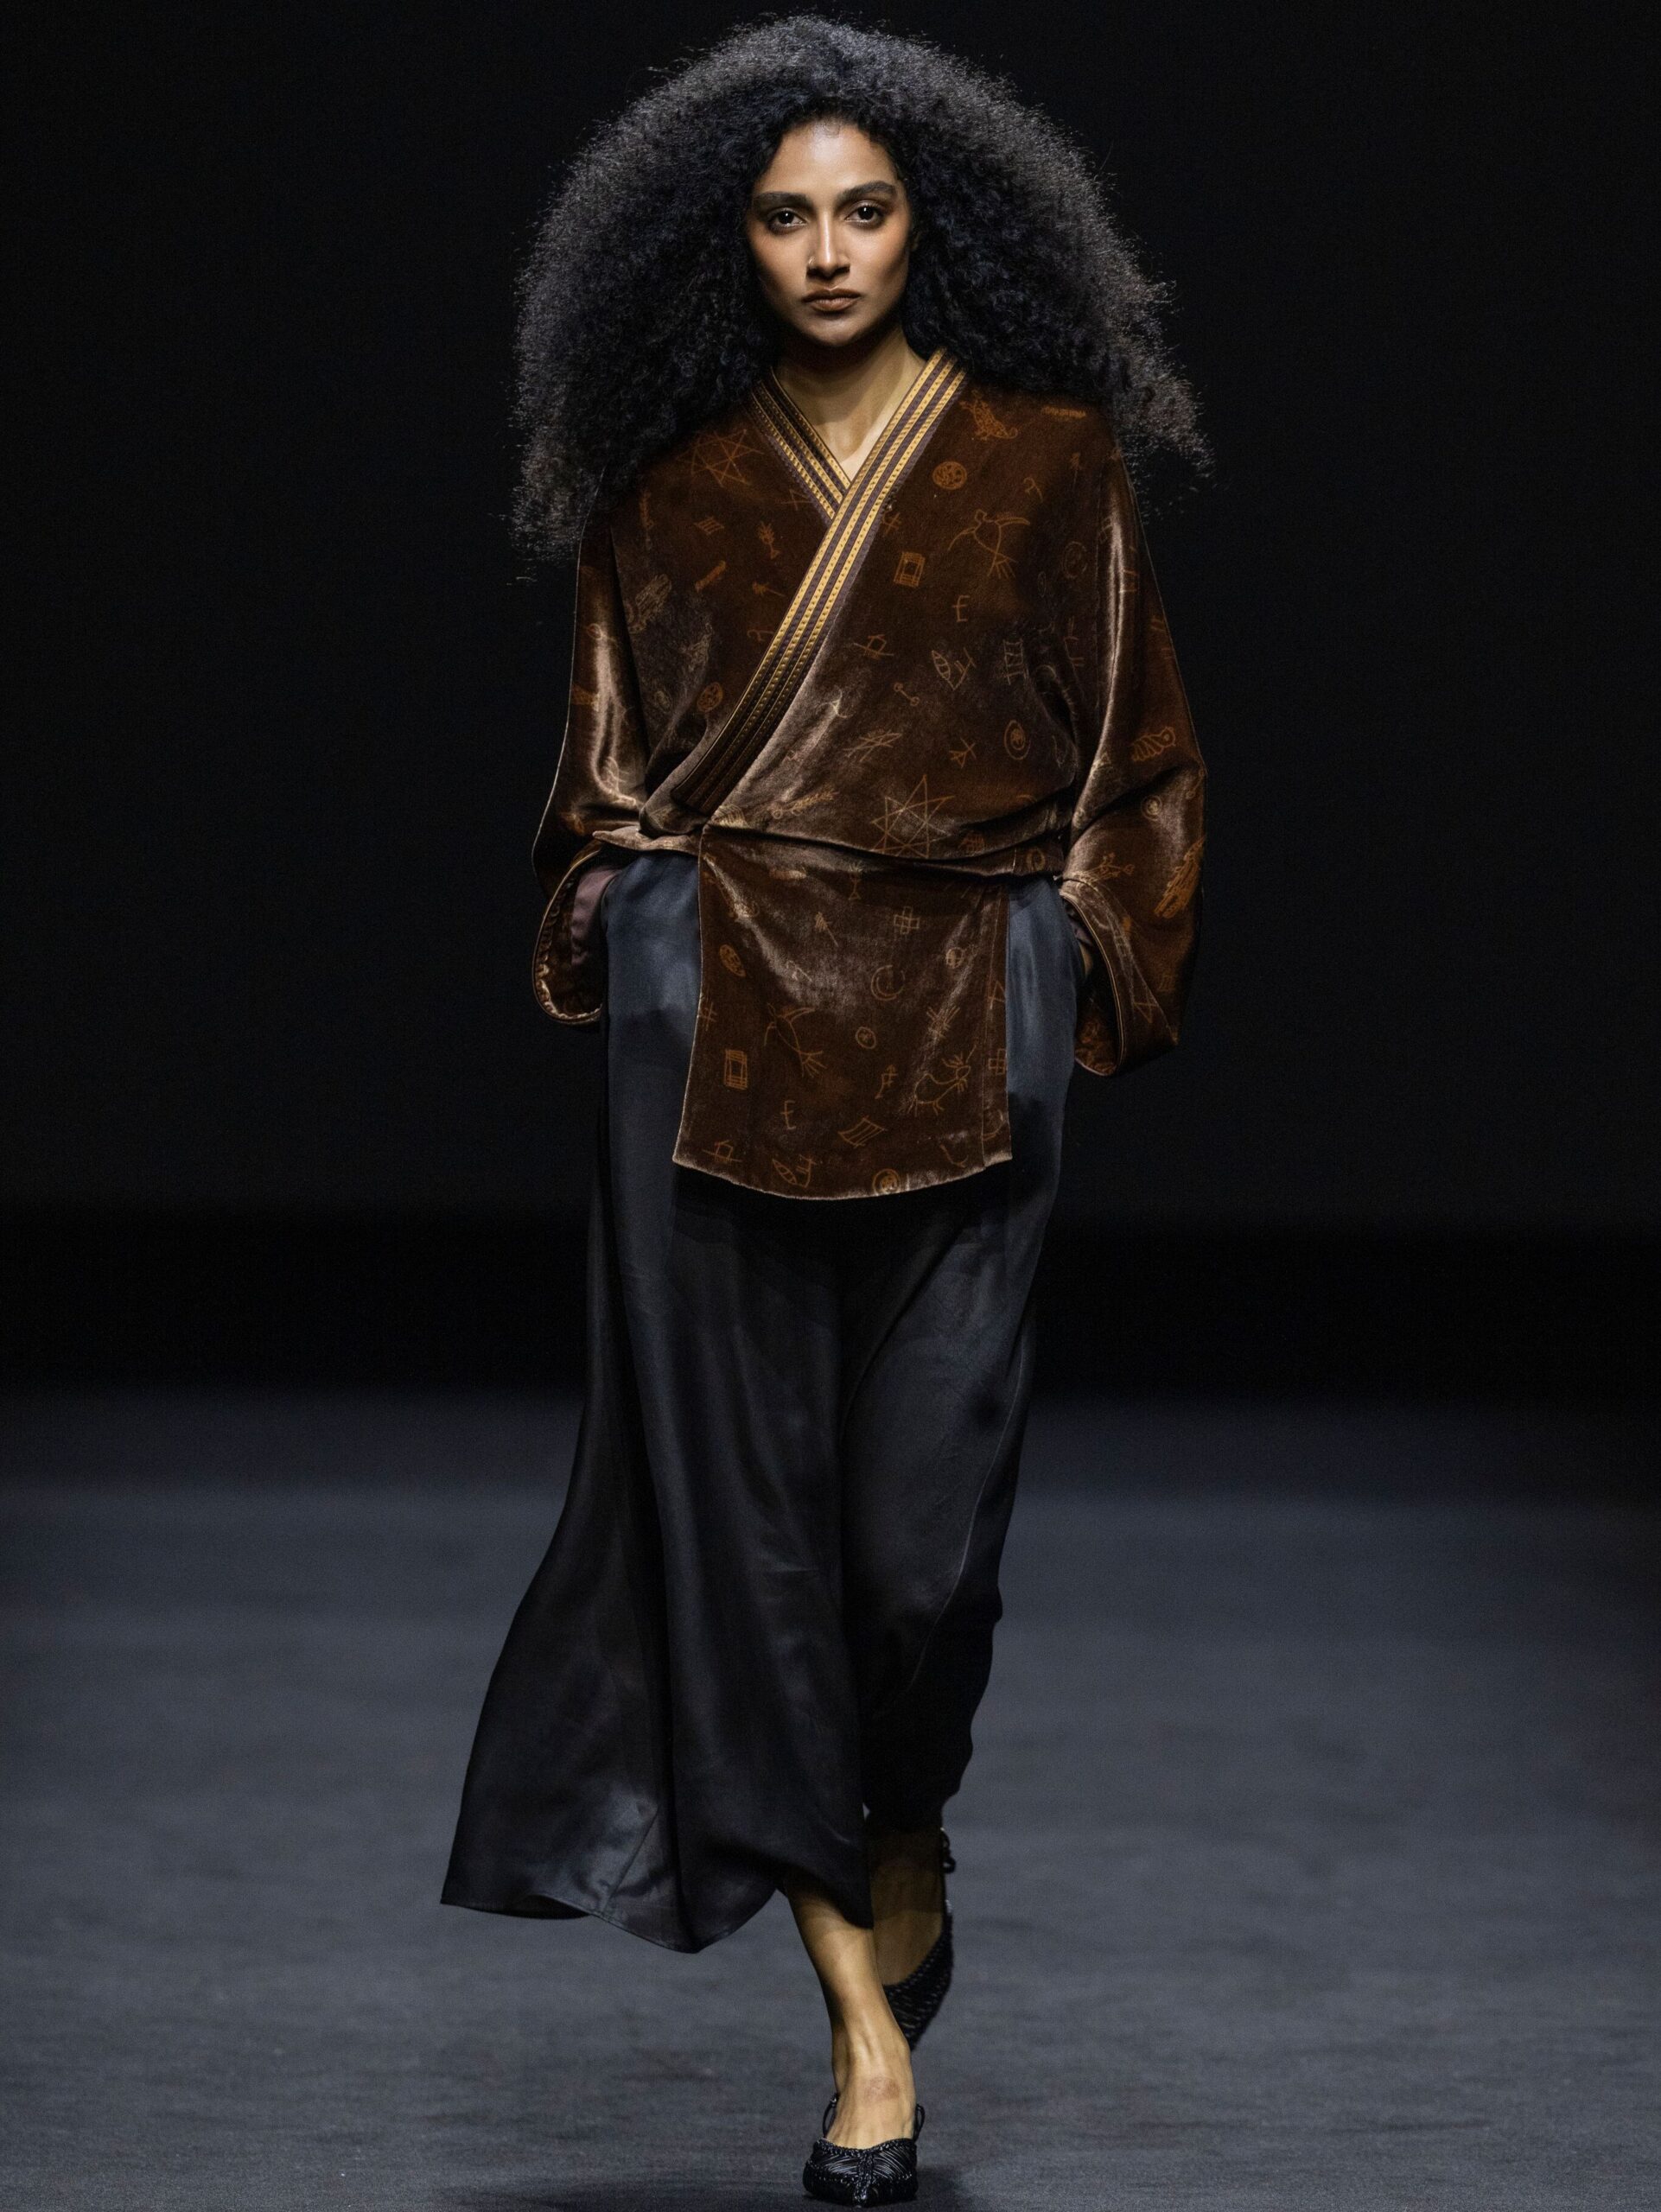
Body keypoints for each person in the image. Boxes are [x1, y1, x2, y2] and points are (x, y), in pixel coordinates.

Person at [442, 16, 1207, 2202]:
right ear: (727, 247)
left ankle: (905, 1810)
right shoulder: (665, 476)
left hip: (965, 1019)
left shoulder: (1047, 457)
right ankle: (863, 2030)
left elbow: (1140, 761)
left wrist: (1069, 961)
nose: (829, 250)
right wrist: (642, 927)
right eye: (783, 218)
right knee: (747, 1542)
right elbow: (596, 791)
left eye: (865, 208)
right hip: (712, 1046)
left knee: (914, 1562)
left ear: (933, 223)